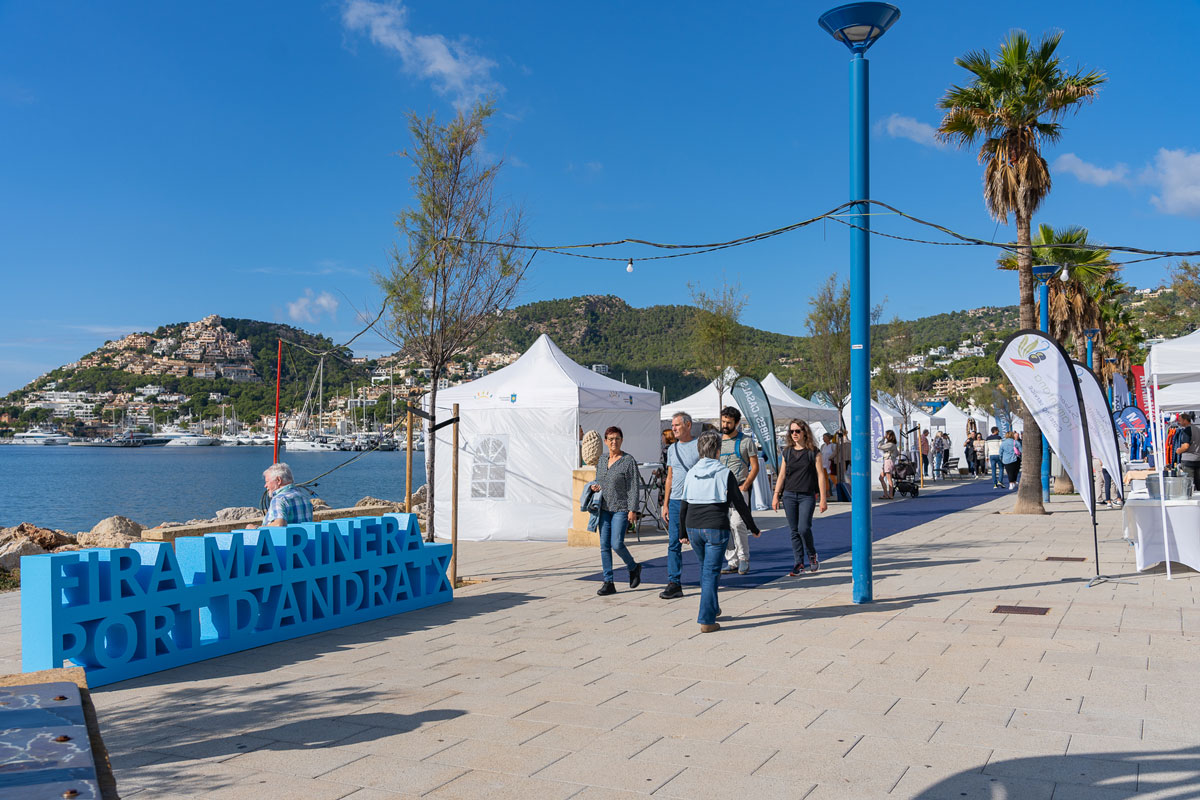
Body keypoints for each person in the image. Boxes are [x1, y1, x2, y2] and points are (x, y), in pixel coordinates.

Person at [679, 430, 759, 633]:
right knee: (710, 572)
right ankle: (706, 619)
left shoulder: (691, 472)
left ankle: (713, 608)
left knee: (706, 569)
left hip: (693, 526)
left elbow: (684, 504)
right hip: (715, 526)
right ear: (717, 450)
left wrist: (682, 532)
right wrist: (752, 527)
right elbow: (739, 503)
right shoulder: (725, 473)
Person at [591, 427, 643, 596]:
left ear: (621, 440)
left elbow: (634, 486)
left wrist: (632, 509)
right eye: (611, 439)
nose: (614, 442)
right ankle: (609, 582)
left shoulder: (628, 460)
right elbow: (599, 479)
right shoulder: (601, 460)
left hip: (621, 508)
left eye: (617, 439)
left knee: (617, 543)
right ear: (605, 441)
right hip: (603, 508)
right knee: (604, 546)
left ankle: (633, 567)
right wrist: (594, 486)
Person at [774, 419, 829, 575]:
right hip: (789, 495)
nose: (794, 434)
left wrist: (823, 499)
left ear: (805, 432)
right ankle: (799, 563)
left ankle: (812, 554)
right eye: (792, 431)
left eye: (797, 431)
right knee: (794, 531)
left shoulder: (814, 452)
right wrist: (776, 495)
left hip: (807, 495)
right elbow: (782, 475)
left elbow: (820, 476)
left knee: (803, 528)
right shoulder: (787, 451)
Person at [661, 412, 699, 600]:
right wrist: (665, 503)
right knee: (673, 543)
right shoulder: (672, 449)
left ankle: (708, 576)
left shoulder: (699, 445)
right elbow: (670, 477)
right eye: (672, 425)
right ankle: (674, 582)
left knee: (700, 541)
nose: (673, 428)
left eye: (676, 425)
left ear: (688, 425)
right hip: (676, 501)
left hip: (696, 501)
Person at [718, 406, 759, 575]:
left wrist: (746, 484)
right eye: (723, 421)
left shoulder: (746, 441)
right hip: (721, 491)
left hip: (739, 488)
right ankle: (732, 561)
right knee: (725, 525)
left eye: (728, 422)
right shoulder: (717, 441)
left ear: (736, 423)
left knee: (738, 523)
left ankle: (744, 558)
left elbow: (755, 466)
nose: (725, 425)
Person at [263, 462, 313, 526]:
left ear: (278, 480)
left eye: (267, 481)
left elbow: (279, 524)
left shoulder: (279, 499)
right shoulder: (304, 497)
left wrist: (256, 528)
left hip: (283, 536)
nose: (265, 485)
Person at [1177, 412, 1200, 488]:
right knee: (1198, 483)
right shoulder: (1197, 429)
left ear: (1185, 420)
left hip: (1188, 460)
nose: (1178, 422)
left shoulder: (1187, 430)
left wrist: (1179, 451)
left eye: (1180, 420)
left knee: (1189, 484)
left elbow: (1186, 446)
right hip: (1198, 459)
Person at [877, 429, 899, 499]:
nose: (885, 436)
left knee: (889, 478)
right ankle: (886, 494)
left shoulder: (890, 445)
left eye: (887, 435)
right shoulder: (893, 445)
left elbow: (879, 446)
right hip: (887, 461)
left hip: (888, 461)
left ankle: (890, 495)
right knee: (881, 478)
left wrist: (882, 439)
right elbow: (897, 453)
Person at [834, 430, 852, 502]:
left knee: (844, 476)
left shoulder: (841, 443)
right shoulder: (850, 442)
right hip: (849, 460)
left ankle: (847, 490)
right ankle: (850, 490)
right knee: (848, 475)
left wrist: (830, 457)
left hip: (842, 460)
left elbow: (836, 452)